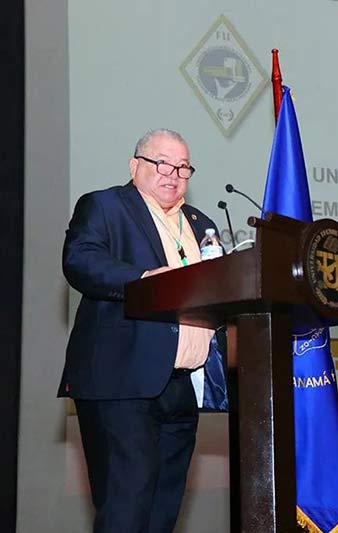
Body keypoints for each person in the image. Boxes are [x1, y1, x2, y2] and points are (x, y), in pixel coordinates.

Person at [60, 128, 226, 532]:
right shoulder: (105, 206)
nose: (174, 175)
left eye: (183, 168)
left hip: (182, 386)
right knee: (126, 510)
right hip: (122, 381)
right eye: (162, 164)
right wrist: (144, 280)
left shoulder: (200, 223)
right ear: (135, 165)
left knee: (161, 515)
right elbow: (81, 260)